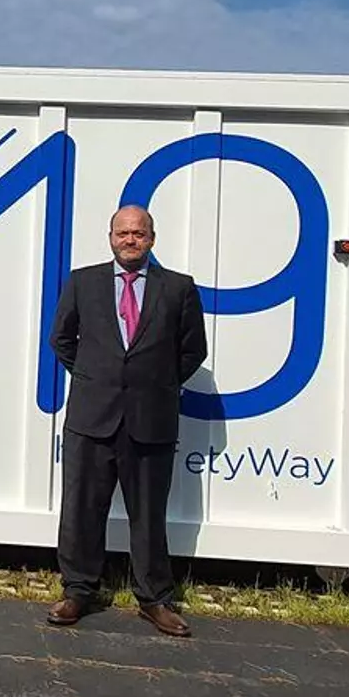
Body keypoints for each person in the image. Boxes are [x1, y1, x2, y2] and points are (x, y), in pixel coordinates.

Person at [47, 205, 207, 636]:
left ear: (152, 239)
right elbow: (61, 339)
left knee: (149, 515)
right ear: (111, 237)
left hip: (150, 420)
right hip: (91, 418)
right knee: (81, 511)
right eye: (123, 233)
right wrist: (95, 377)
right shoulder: (83, 282)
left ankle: (154, 598)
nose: (130, 240)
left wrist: (155, 384)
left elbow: (193, 350)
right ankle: (77, 591)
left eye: (139, 233)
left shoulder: (179, 288)